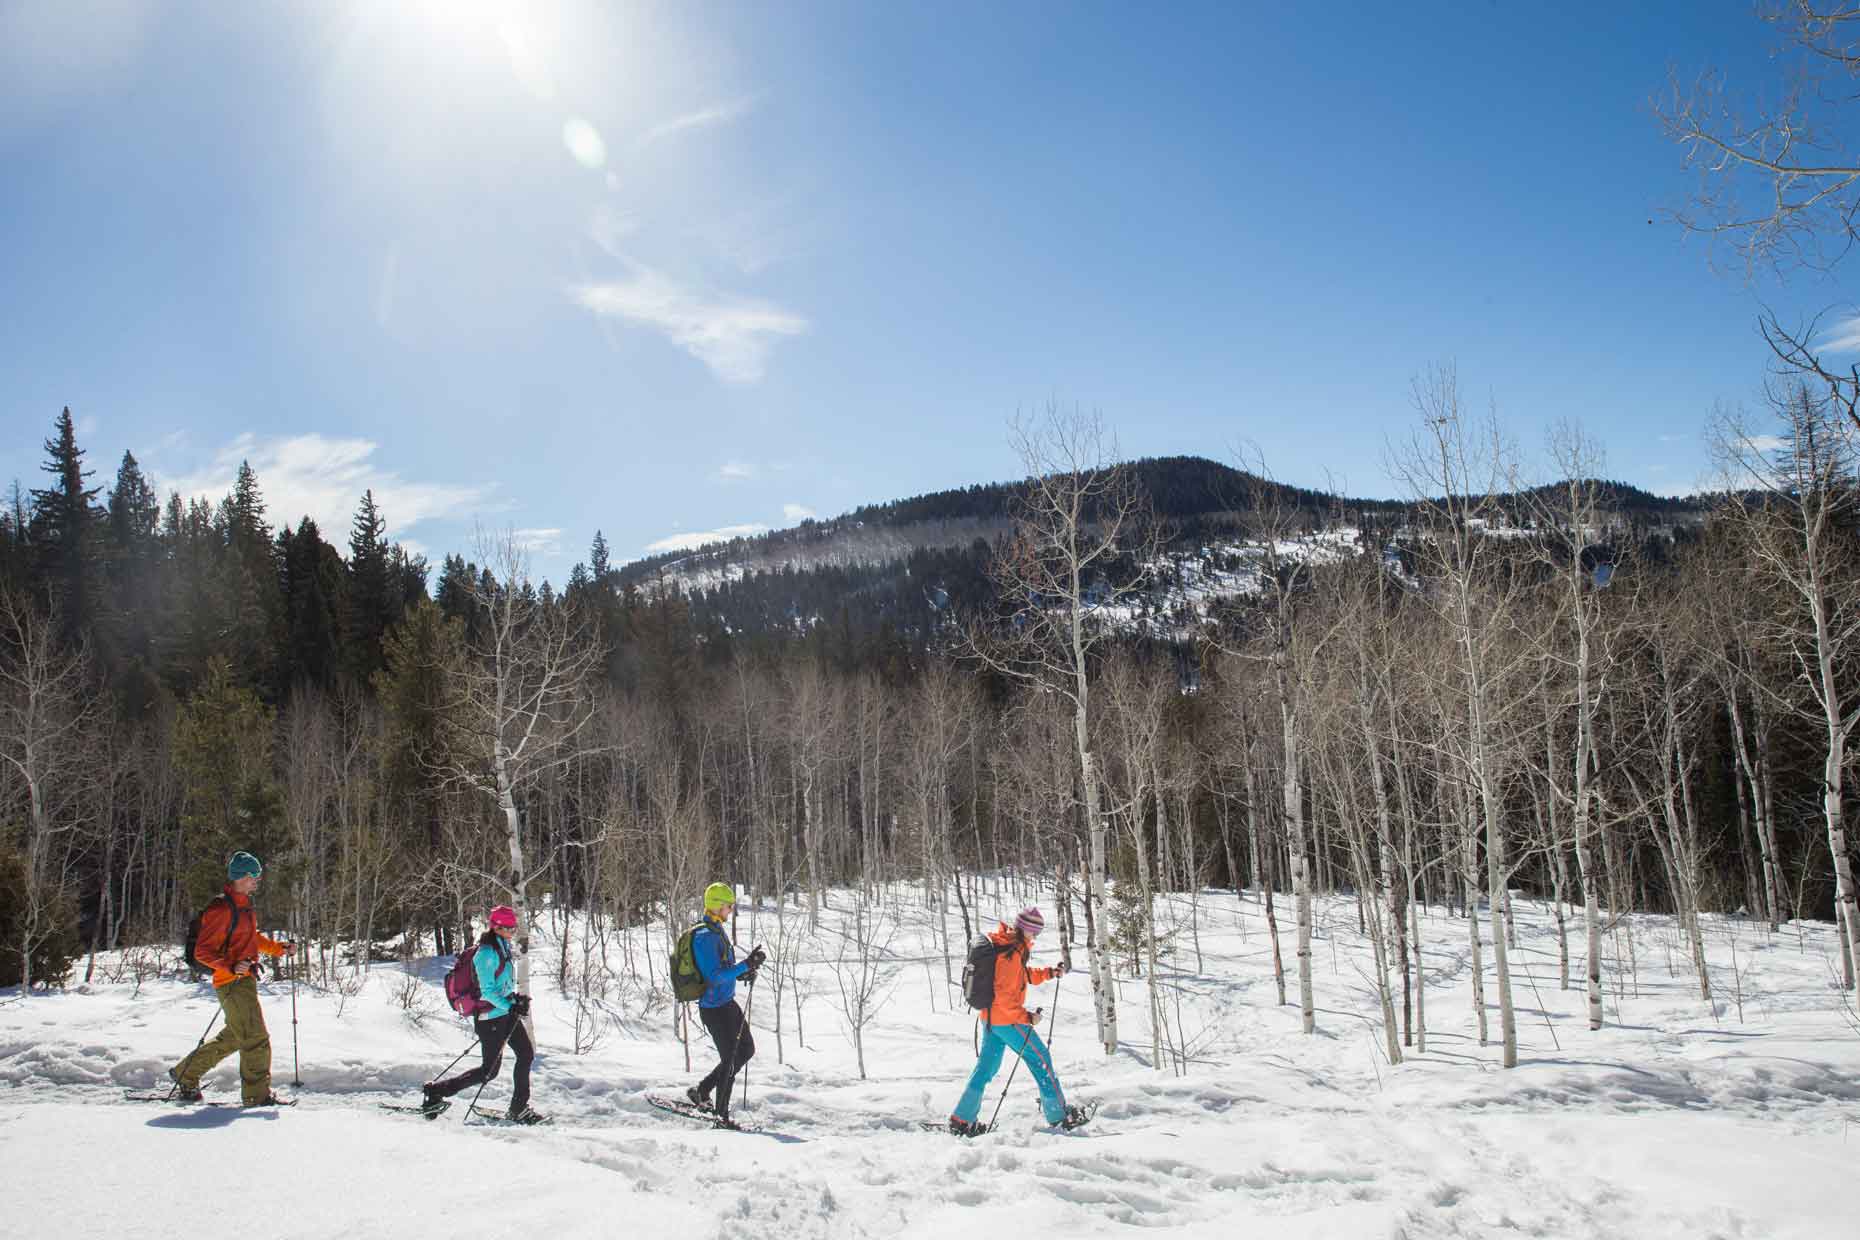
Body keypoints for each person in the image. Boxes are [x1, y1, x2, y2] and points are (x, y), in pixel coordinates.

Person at [169, 851, 298, 1107]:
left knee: (236, 1036)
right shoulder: (221, 909)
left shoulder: (243, 906)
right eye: (254, 877)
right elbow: (202, 952)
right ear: (242, 876)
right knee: (255, 1037)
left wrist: (278, 949)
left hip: (243, 980)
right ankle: (257, 1096)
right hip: (231, 981)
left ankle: (186, 1074)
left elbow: (251, 939)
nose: (257, 881)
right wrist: (231, 966)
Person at [948, 907, 1088, 1135]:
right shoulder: (1010, 954)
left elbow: (1021, 976)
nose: (1036, 937)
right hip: (1008, 1021)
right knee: (1040, 1059)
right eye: (1035, 932)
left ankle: (961, 1120)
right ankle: (1060, 1116)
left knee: (985, 1069)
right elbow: (1005, 997)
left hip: (991, 1019)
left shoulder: (1008, 946)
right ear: (1026, 930)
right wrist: (1027, 1017)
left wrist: (1050, 973)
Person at [422, 905, 544, 1124]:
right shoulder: (486, 953)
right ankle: (436, 1092)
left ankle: (519, 1108)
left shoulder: (502, 947)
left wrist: (515, 999)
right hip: (490, 1019)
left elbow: (501, 984)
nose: (512, 931)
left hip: (505, 1014)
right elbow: (487, 992)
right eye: (508, 928)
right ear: (496, 927)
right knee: (489, 1072)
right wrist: (510, 1006)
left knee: (526, 1054)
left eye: (513, 928)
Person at [684, 881, 765, 1129]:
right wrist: (745, 965)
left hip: (726, 1004)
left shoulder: (717, 931)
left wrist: (744, 971)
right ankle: (721, 1116)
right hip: (714, 1009)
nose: (731, 910)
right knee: (730, 1058)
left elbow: (724, 971)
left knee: (746, 1050)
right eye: (729, 906)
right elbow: (714, 976)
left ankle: (702, 1090)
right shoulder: (704, 936)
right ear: (717, 906)